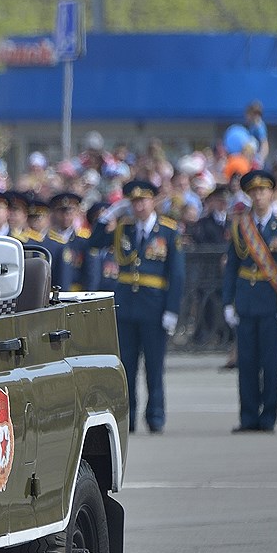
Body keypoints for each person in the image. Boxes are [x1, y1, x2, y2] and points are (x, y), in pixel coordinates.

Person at [88, 181, 185, 433]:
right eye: (134, 202)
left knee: (154, 367)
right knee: (127, 367)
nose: (139, 206)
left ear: (153, 201)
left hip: (154, 308)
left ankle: (155, 417)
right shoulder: (124, 229)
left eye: (143, 201)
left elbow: (177, 274)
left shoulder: (168, 231)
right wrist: (109, 214)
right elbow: (94, 242)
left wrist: (172, 310)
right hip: (127, 308)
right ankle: (127, 419)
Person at [222, 170, 277, 433]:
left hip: (271, 302)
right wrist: (228, 302)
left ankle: (267, 417)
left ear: (272, 193)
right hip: (245, 300)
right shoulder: (240, 225)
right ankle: (247, 417)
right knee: (246, 363)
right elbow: (231, 267)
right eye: (254, 192)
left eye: (263, 191)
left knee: (269, 363)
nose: (259, 196)